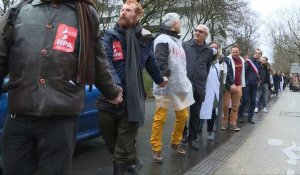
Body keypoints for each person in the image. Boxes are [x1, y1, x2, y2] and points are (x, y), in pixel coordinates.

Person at [0, 0, 123, 174]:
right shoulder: (18, 10)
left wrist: (112, 91)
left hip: (61, 118)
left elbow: (97, 60)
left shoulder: (85, 13)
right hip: (19, 115)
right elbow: (1, 57)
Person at [96, 0, 167, 174]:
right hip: (110, 97)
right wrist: (115, 88)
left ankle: (124, 164)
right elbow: (106, 62)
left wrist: (160, 79)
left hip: (132, 100)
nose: (123, 12)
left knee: (121, 150)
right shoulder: (109, 36)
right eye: (122, 9)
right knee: (111, 141)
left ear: (137, 15)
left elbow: (151, 61)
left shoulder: (145, 38)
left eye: (128, 10)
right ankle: (133, 160)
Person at [150, 13, 194, 163]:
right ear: (173, 24)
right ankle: (156, 148)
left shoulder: (177, 42)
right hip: (165, 86)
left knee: (183, 116)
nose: (181, 24)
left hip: (179, 86)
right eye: (179, 22)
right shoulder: (162, 39)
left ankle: (176, 142)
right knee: (160, 118)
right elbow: (159, 58)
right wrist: (163, 75)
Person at [182, 24, 214, 150]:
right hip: (185, 84)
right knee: (183, 112)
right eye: (196, 30)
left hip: (199, 85)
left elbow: (207, 67)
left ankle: (193, 138)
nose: (197, 33)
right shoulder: (185, 45)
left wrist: (201, 78)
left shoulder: (209, 50)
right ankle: (183, 134)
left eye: (201, 32)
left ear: (205, 35)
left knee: (195, 114)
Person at [199, 42, 223, 140]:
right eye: (211, 48)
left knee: (212, 112)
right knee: (199, 112)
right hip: (202, 90)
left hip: (213, 92)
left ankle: (209, 131)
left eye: (215, 48)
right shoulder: (202, 61)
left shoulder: (218, 64)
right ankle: (197, 130)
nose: (213, 50)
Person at [222, 45, 245, 131]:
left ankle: (233, 123)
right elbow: (226, 73)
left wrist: (242, 85)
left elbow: (243, 73)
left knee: (236, 105)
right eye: (233, 52)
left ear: (239, 52)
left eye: (236, 52)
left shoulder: (242, 60)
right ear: (231, 52)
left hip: (238, 85)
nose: (234, 53)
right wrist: (231, 83)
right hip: (228, 86)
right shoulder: (226, 59)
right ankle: (224, 122)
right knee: (226, 105)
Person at [238, 49, 263, 124]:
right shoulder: (249, 62)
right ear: (253, 54)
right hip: (247, 84)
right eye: (256, 53)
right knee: (245, 100)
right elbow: (243, 72)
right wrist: (245, 82)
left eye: (258, 53)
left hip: (255, 85)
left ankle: (250, 117)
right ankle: (240, 115)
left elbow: (260, 74)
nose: (257, 54)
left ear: (260, 55)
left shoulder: (260, 64)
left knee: (253, 102)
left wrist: (259, 80)